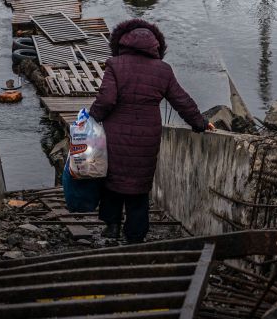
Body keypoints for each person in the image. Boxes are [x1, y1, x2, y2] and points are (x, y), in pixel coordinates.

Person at [88, 18, 211, 244]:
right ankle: (135, 236)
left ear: (122, 42)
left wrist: (90, 119)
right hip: (148, 136)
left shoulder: (115, 64)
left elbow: (106, 99)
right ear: (157, 46)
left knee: (112, 180)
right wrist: (200, 122)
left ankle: (112, 226)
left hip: (116, 133)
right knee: (139, 184)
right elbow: (181, 100)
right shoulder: (163, 70)